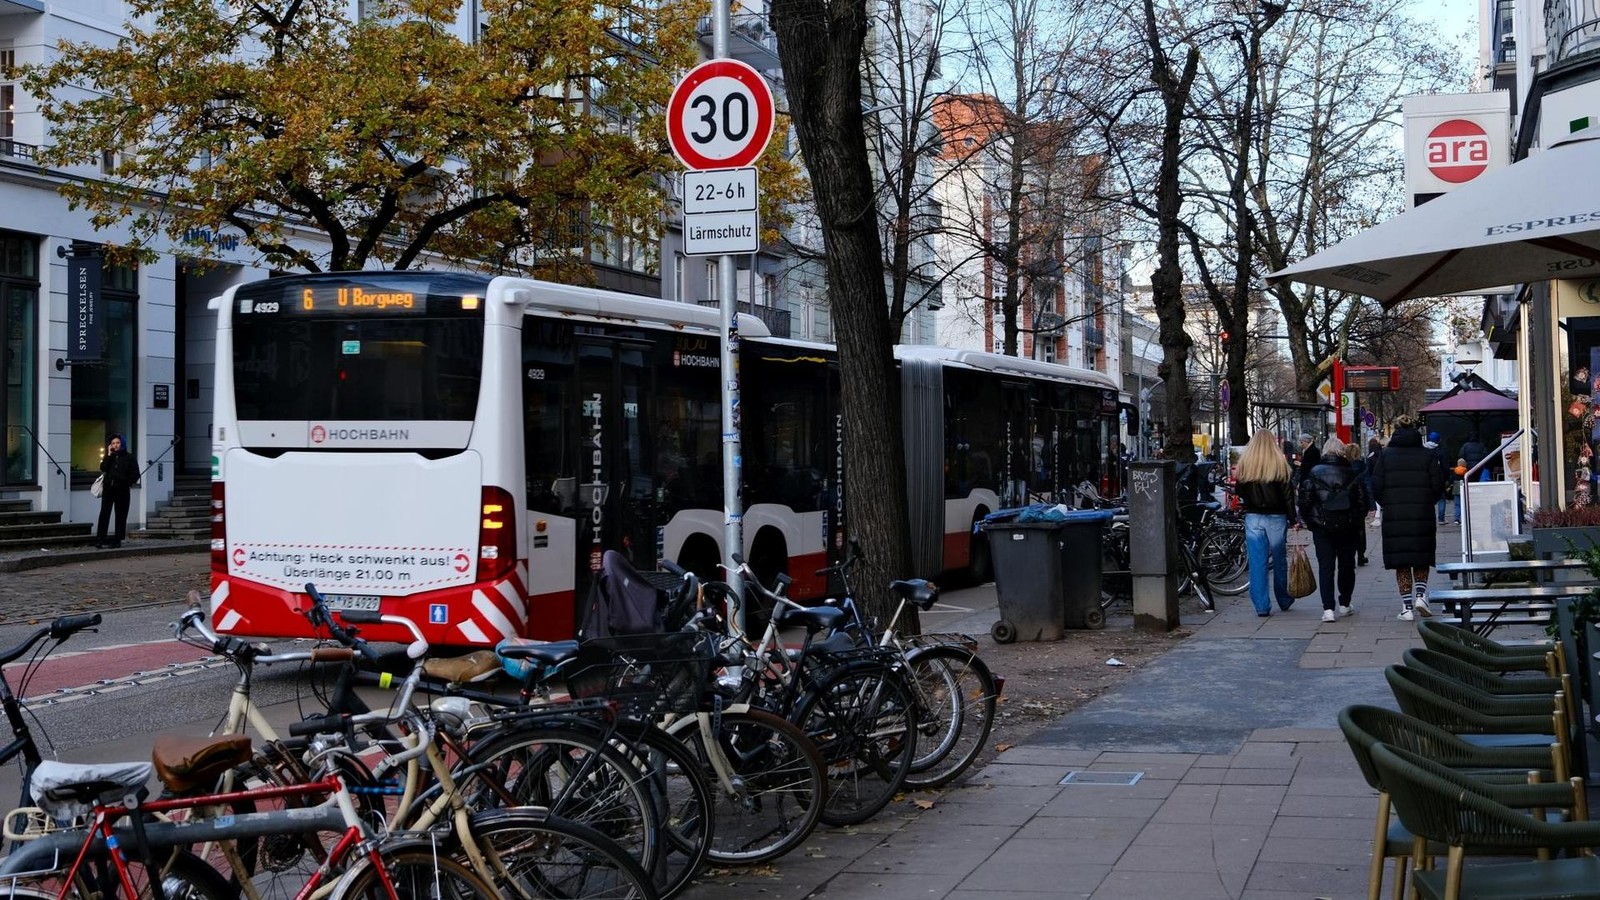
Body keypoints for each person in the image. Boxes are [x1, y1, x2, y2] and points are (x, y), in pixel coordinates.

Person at [1371, 414, 1446, 621]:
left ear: (1395, 430)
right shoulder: (1427, 455)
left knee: (1402, 561)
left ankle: (1406, 607)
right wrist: (1428, 500)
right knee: (1421, 555)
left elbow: (1376, 485)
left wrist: (1387, 503)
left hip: (1395, 514)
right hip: (1422, 513)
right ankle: (1421, 596)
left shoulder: (1385, 456)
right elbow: (1438, 483)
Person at [1299, 438, 1370, 623]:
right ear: (1342, 452)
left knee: (1326, 567)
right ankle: (1345, 603)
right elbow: (1363, 502)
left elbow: (1305, 501)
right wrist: (1355, 519)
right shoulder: (1352, 473)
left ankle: (1328, 608)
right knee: (1347, 565)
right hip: (1347, 527)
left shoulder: (1314, 473)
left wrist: (1312, 521)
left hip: (1322, 527)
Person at [1235, 430, 1296, 617]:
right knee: (1279, 559)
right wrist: (1293, 518)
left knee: (1257, 562)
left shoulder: (1245, 465)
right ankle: (1284, 598)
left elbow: (1240, 491)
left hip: (1254, 516)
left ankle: (1261, 605)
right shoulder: (1279, 464)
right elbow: (1288, 496)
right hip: (1277, 516)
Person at [95, 433, 139, 549]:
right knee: (104, 513)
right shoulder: (110, 457)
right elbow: (103, 467)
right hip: (108, 489)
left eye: (118, 443)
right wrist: (109, 455)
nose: (116, 445)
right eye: (113, 443)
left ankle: (117, 539)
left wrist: (125, 482)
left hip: (122, 490)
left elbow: (135, 475)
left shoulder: (129, 458)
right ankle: (100, 538)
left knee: (120, 515)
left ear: (122, 443)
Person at [1344, 441, 1370, 566]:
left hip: (1347, 503)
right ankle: (1361, 554)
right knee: (1360, 530)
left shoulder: (1344, 469)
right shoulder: (1363, 467)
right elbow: (1367, 487)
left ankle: (1350, 555)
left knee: (1348, 531)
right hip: (1359, 503)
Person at [1365, 437, 1383, 526]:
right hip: (1381, 478)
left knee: (1375, 497)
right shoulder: (1382, 453)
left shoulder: (1370, 456)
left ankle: (1376, 517)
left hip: (1373, 478)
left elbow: (1368, 469)